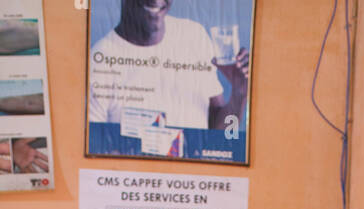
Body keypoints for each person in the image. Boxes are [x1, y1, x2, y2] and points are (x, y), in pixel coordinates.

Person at [89, 0, 248, 133]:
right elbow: (92, 153)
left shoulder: (194, 36)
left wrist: (239, 93)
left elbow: (221, 134)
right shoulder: (99, 62)